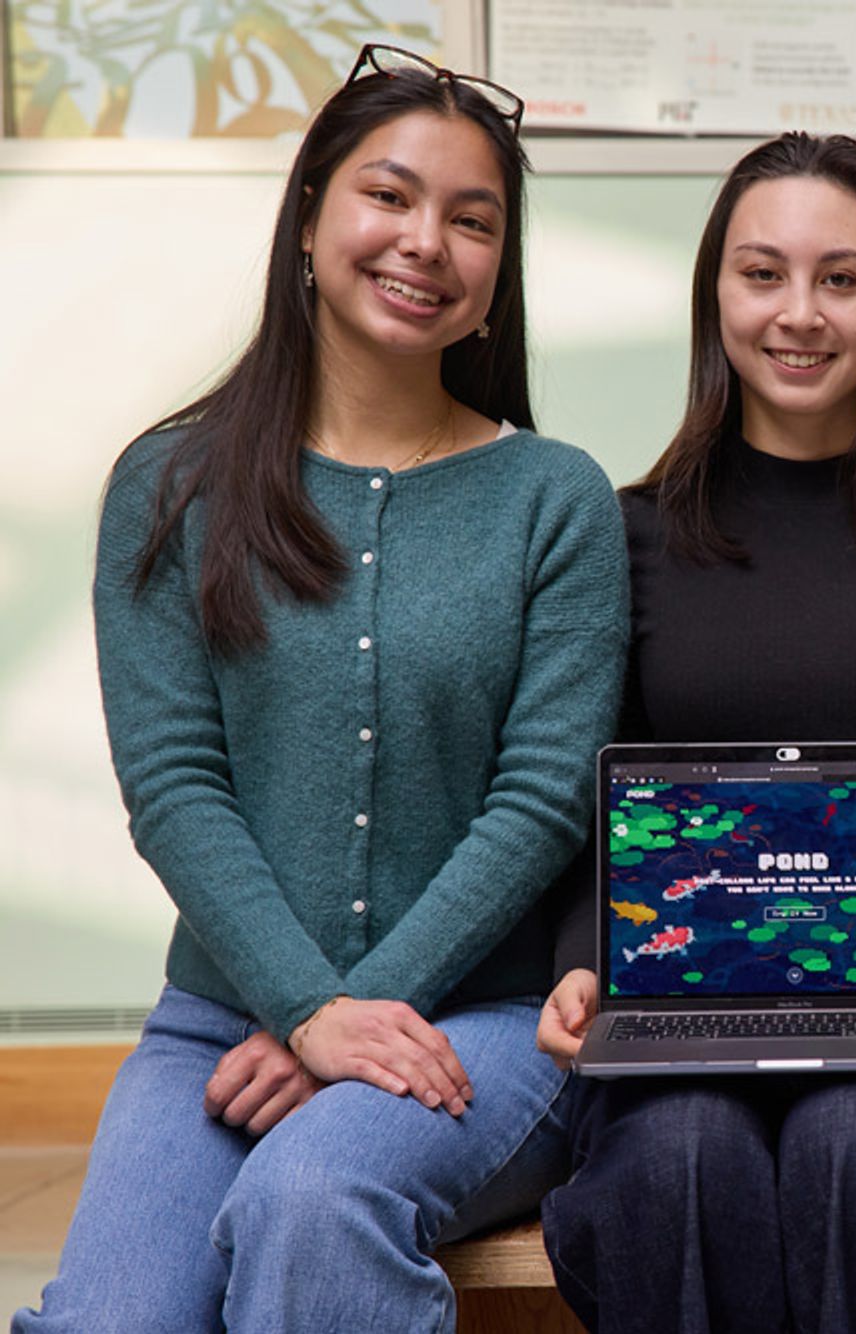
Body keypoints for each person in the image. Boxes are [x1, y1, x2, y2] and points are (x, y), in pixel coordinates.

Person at [15, 45, 629, 1334]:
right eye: (388, 196)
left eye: (473, 220)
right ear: (308, 217)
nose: (426, 242)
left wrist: (343, 1021)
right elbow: (173, 783)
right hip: (220, 1017)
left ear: (499, 271)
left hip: (483, 1021)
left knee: (311, 1199)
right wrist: (305, 1008)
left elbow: (539, 800)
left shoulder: (555, 497)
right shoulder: (171, 484)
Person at [533, 132, 856, 1334]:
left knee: (855, 1139)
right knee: (682, 1150)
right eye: (762, 273)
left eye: (841, 278)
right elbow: (590, 816)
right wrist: (582, 959)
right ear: (714, 295)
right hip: (680, 1021)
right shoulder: (628, 534)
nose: (799, 313)